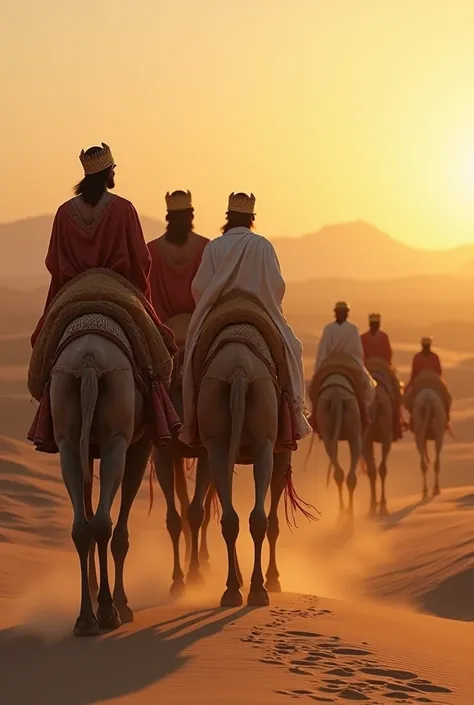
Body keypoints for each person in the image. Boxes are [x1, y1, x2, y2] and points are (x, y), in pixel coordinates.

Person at [179, 191, 311, 445]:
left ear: (228, 217)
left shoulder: (214, 246)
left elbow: (199, 287)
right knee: (293, 348)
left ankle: (192, 419)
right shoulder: (262, 245)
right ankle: (292, 417)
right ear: (251, 217)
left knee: (192, 358)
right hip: (258, 312)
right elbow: (277, 286)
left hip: (219, 314)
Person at [30, 143, 170, 348]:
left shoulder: (63, 212)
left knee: (45, 349)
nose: (114, 172)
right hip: (116, 289)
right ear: (108, 172)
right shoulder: (124, 208)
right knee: (152, 347)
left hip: (73, 291)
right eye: (113, 168)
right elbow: (141, 259)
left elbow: (53, 261)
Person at [147, 190, 209, 328]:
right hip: (199, 328)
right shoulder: (207, 248)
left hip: (160, 330)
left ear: (168, 218)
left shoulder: (151, 250)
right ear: (191, 216)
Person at [314, 301, 376, 420]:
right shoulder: (352, 329)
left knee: (315, 388)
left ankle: (316, 418)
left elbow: (323, 352)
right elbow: (357, 352)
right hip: (350, 364)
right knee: (367, 387)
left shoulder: (329, 329)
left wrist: (319, 369)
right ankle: (363, 413)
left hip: (330, 365)